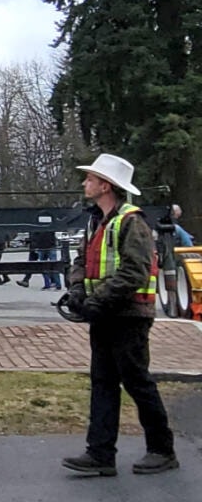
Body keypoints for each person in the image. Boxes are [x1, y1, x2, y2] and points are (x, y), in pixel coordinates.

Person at [61, 154, 177, 477]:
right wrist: (77, 290)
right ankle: (100, 454)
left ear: (105, 185)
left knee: (137, 382)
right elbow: (81, 261)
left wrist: (98, 300)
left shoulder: (131, 222)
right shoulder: (97, 221)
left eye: (90, 179)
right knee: (103, 383)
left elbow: (135, 270)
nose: (85, 183)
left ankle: (162, 449)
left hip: (128, 317)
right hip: (106, 315)